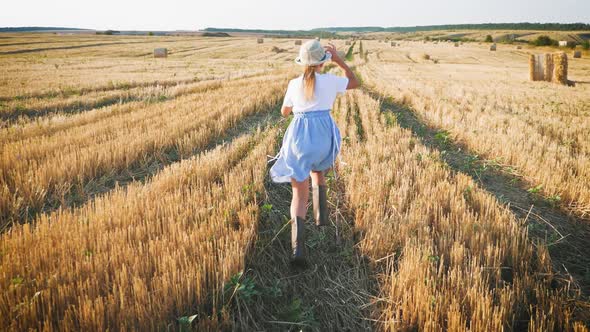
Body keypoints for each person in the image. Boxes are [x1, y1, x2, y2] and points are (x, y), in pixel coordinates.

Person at [269, 39, 359, 265]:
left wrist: (295, 108)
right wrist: (340, 61)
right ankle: (321, 218)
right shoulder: (330, 81)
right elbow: (355, 82)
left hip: (300, 139)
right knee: (318, 172)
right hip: (322, 137)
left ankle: (297, 249)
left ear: (302, 63)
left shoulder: (293, 83)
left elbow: (284, 112)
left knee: (299, 194)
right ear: (323, 62)